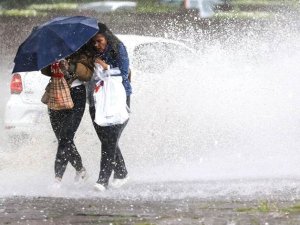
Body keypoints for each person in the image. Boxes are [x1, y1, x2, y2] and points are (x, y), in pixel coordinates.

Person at [87, 23, 132, 191]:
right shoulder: (90, 53)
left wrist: (106, 67)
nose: (97, 45)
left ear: (107, 38)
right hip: (96, 99)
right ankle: (121, 173)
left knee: (110, 138)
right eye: (93, 42)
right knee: (106, 139)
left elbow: (124, 72)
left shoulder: (118, 48)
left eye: (99, 41)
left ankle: (102, 180)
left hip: (117, 98)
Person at [41, 47, 94, 187]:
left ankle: (57, 178)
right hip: (56, 93)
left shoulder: (82, 49)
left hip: (76, 94)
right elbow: (44, 71)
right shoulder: (53, 50)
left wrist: (70, 66)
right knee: (62, 138)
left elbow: (88, 75)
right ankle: (81, 169)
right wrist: (51, 61)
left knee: (66, 136)